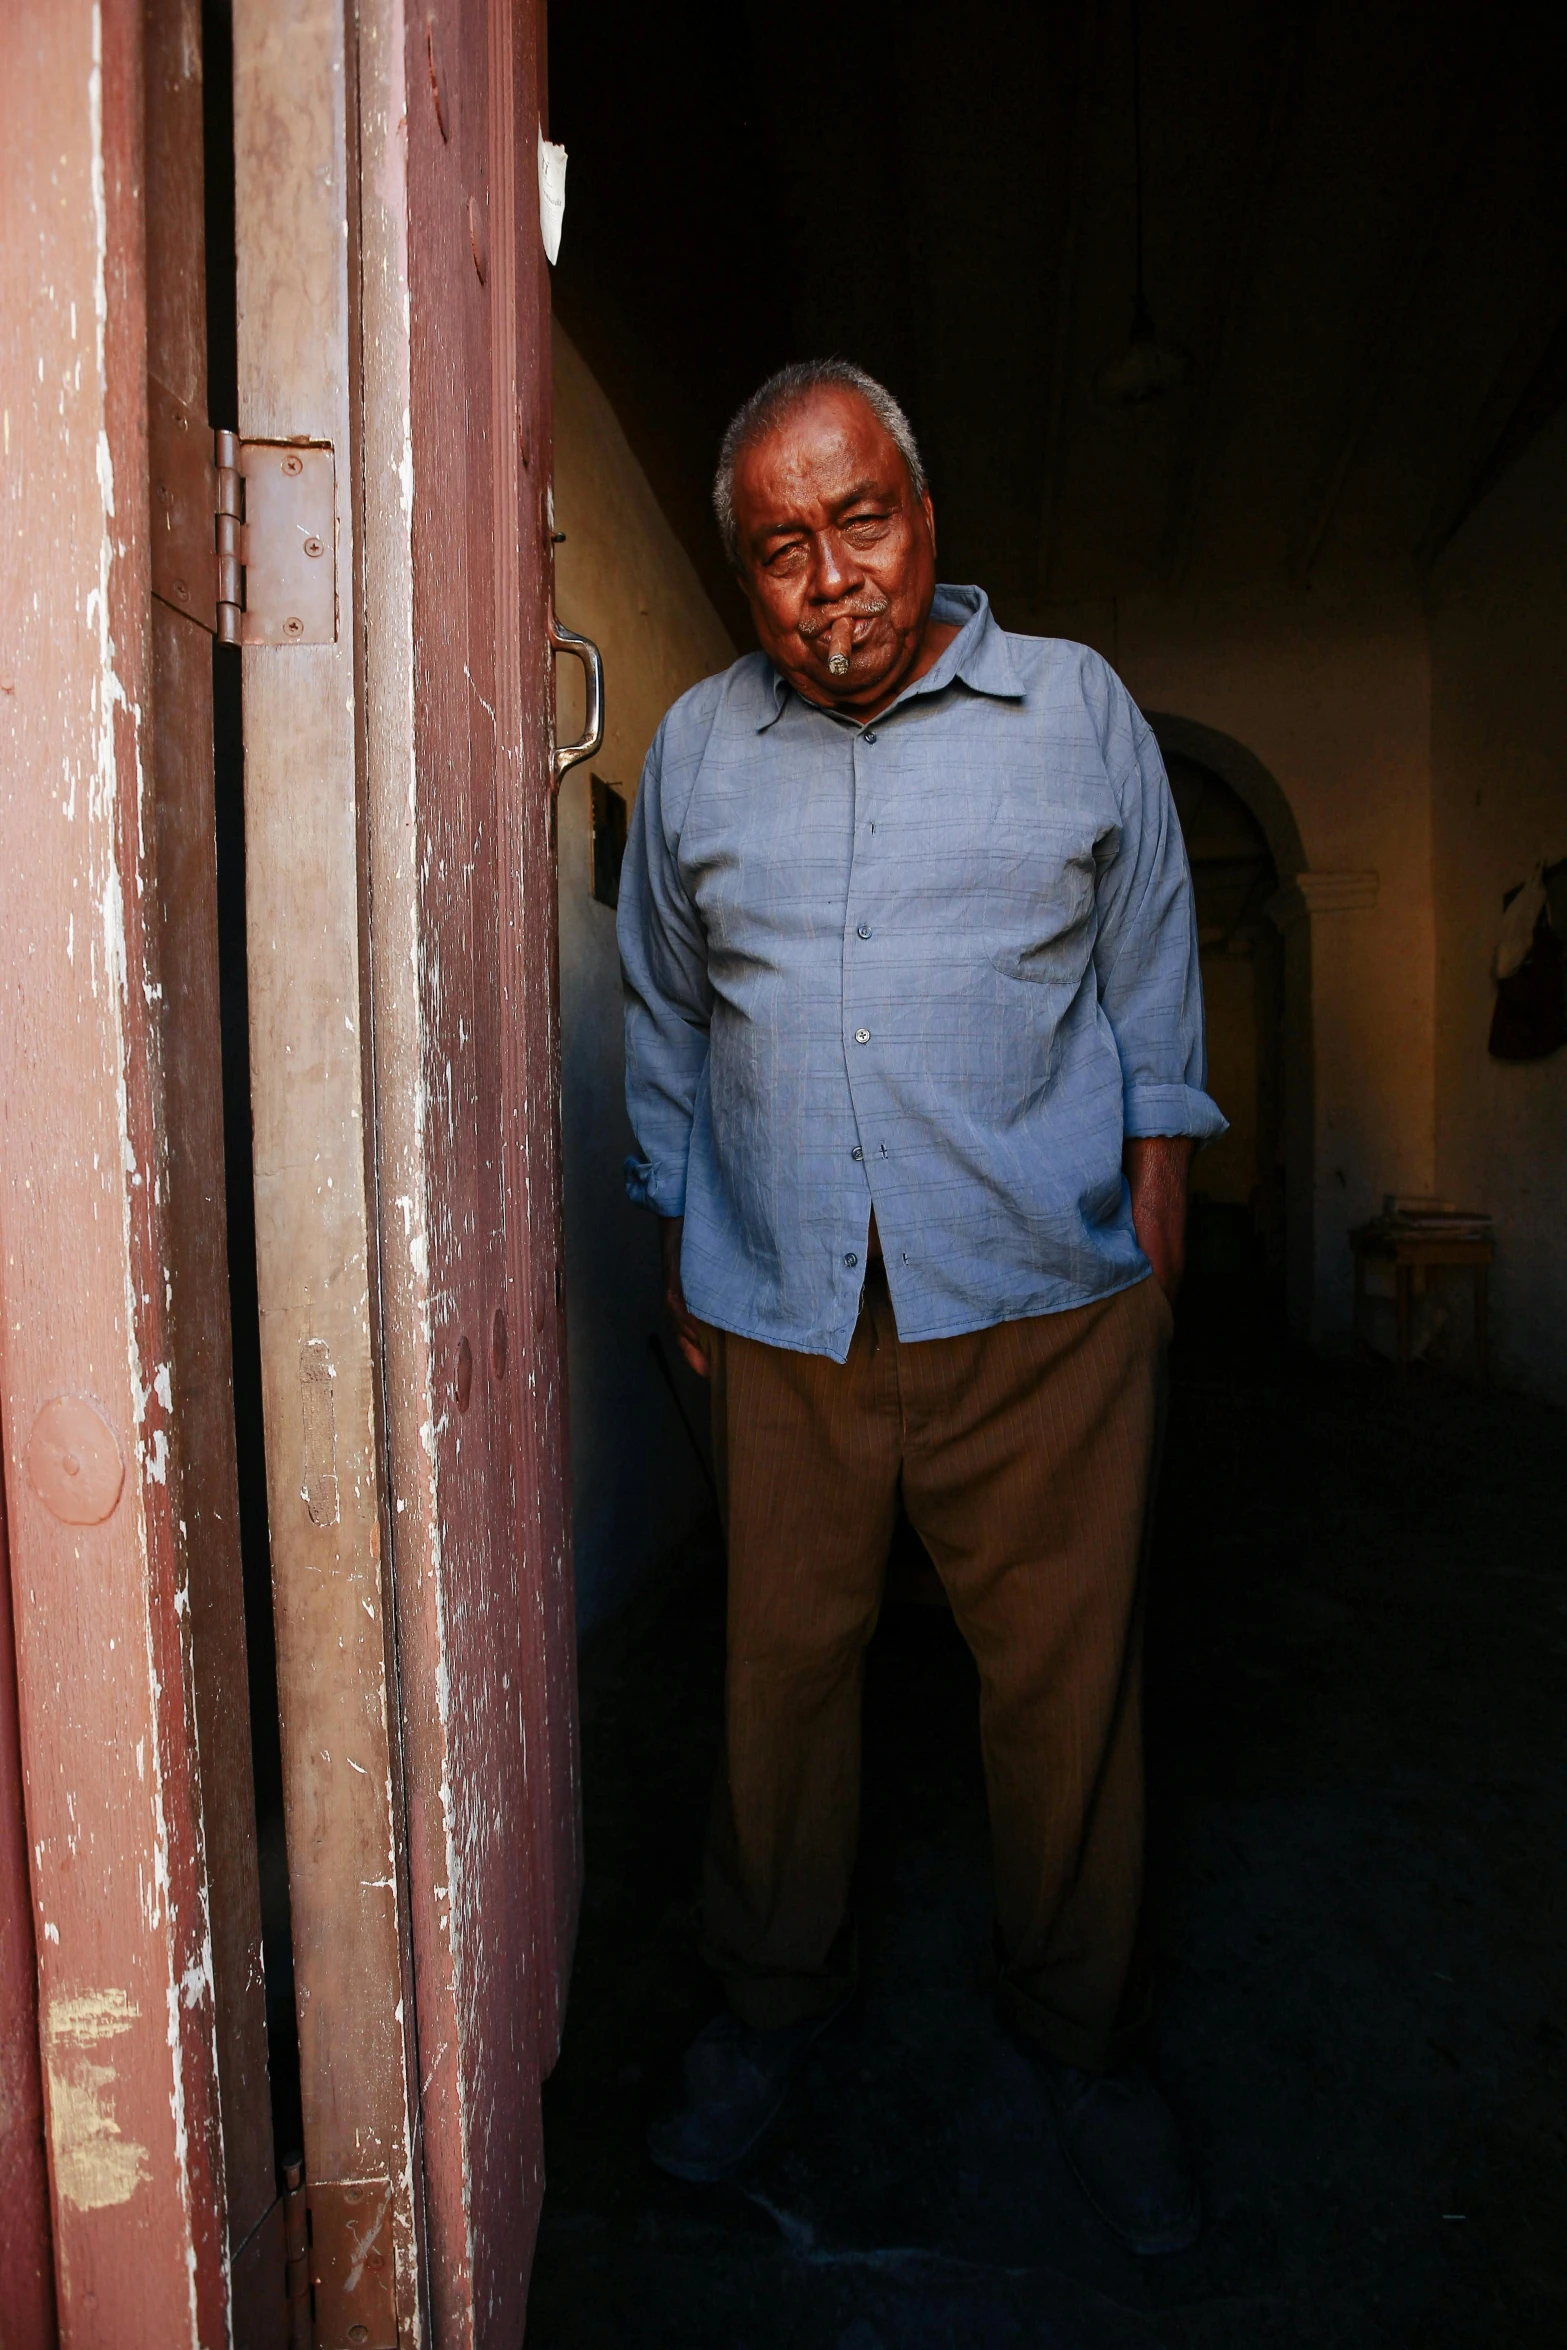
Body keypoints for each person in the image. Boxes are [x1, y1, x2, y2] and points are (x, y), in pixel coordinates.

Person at [617, 360, 1223, 2255]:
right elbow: (662, 1011)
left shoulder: (1077, 711)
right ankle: (766, 2007)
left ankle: (1083, 2038)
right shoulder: (702, 752)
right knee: (777, 1687)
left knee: (1062, 1698)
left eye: (858, 521)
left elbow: (1149, 989)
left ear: (927, 516)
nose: (829, 581)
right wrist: (680, 1232)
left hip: (1041, 1308)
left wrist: (1146, 1248)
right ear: (742, 575)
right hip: (784, 1313)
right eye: (779, 549)